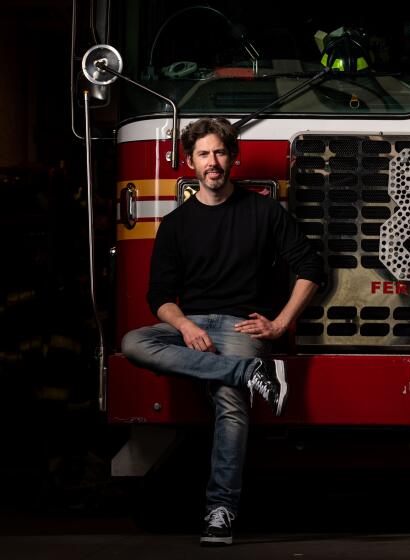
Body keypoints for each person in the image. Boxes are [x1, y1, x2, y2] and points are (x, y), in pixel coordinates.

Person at [121, 117, 325, 546]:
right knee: (133, 342)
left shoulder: (265, 212)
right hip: (188, 324)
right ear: (189, 163)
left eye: (219, 153)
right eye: (203, 154)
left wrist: (280, 322)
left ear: (233, 158)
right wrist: (185, 325)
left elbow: (311, 268)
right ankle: (246, 373)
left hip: (239, 325)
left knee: (230, 404)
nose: (212, 162)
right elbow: (159, 295)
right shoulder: (175, 224)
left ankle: (220, 511)